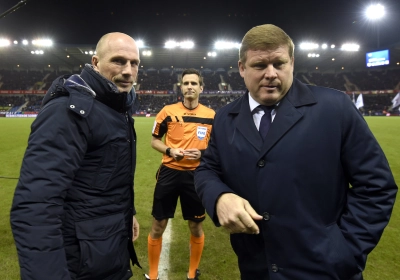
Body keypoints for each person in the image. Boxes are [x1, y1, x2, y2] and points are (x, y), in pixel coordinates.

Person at [194, 24, 398, 280]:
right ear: (242, 68)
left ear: (292, 63)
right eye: (259, 65)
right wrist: (219, 197)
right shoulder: (225, 117)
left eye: (279, 64)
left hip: (326, 270)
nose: (271, 74)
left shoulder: (335, 108)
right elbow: (207, 169)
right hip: (257, 268)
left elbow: (377, 186)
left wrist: (346, 250)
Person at [10, 32, 142, 280]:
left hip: (106, 253)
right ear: (95, 63)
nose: (128, 70)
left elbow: (106, 179)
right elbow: (36, 205)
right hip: (79, 263)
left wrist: (128, 213)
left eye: (134, 63)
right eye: (118, 61)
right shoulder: (67, 111)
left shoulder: (116, 108)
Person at [145, 68, 215, 280]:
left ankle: (192, 273)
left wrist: (202, 153)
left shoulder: (211, 116)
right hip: (169, 173)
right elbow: (154, 140)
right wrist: (169, 150)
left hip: (196, 176)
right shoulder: (167, 111)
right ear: (181, 87)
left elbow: (217, 148)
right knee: (159, 224)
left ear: (201, 88)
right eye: (186, 83)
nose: (190, 87)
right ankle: (154, 274)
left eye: (194, 83)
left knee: (195, 225)